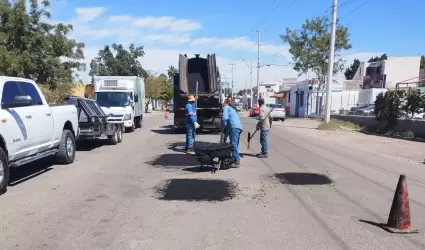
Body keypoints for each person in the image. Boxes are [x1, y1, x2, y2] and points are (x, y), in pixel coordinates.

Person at [222, 100, 242, 167]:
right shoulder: (231, 109)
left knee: (233, 145)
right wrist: (226, 133)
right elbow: (228, 122)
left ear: (224, 104)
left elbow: (225, 118)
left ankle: (237, 161)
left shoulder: (226, 108)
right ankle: (234, 159)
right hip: (238, 128)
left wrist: (223, 128)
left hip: (234, 128)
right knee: (234, 144)